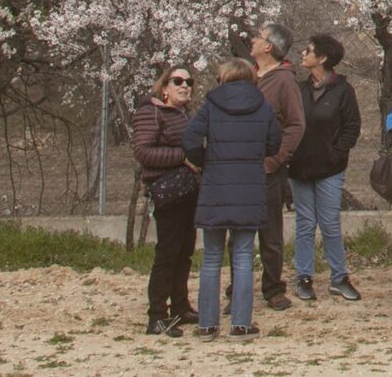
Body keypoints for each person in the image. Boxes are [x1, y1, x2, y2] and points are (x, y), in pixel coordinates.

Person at [183, 56, 282, 338]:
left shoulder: (211, 105)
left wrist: (205, 161)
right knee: (243, 257)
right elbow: (275, 142)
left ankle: (207, 325)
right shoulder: (262, 105)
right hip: (249, 186)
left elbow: (190, 140)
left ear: (224, 78)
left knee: (212, 257)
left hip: (215, 185)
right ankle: (240, 325)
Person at [288, 32, 361, 304]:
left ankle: (338, 277)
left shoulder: (343, 91)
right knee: (305, 223)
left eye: (308, 50)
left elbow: (352, 127)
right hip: (300, 168)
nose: (303, 54)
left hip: (329, 168)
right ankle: (303, 277)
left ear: (322, 58)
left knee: (330, 222)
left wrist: (336, 154)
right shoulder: (300, 89)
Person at [131, 61, 199, 336]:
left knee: (185, 252)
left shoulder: (183, 115)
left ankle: (180, 307)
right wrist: (182, 158)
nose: (185, 86)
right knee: (168, 252)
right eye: (178, 81)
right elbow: (144, 152)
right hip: (168, 191)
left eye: (189, 82)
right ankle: (157, 315)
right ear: (165, 87)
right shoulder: (151, 113)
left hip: (188, 191)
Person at [248, 23, 308, 311]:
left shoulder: (284, 81)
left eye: (258, 36)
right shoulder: (247, 76)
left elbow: (296, 125)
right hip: (240, 167)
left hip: (268, 168)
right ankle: (238, 287)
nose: (252, 39)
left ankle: (273, 287)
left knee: (269, 230)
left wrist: (275, 161)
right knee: (238, 230)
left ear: (269, 46)